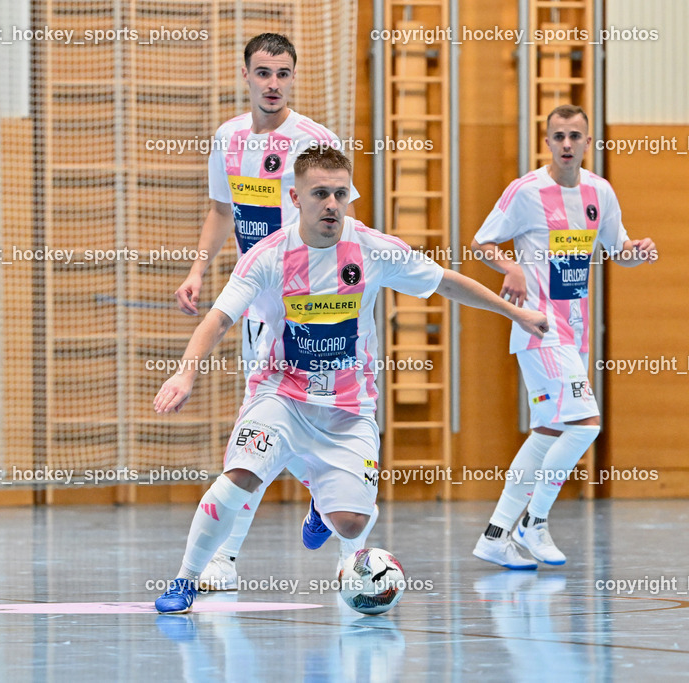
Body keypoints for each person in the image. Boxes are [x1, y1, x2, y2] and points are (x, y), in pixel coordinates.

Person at [154, 145, 548, 613]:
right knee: (241, 475)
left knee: (349, 521)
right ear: (295, 197)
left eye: (340, 193)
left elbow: (444, 280)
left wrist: (514, 312)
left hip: (349, 406)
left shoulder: (371, 248)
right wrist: (185, 372)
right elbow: (218, 319)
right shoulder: (267, 256)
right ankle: (185, 579)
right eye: (320, 193)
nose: (332, 204)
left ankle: (324, 506)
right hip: (281, 393)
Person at [173, 33, 361, 590]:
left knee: (267, 425)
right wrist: (199, 271)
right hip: (255, 302)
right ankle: (317, 502)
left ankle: (227, 558)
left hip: (307, 306)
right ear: (246, 75)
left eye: (282, 73)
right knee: (264, 425)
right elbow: (219, 209)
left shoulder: (314, 141)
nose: (272, 84)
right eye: (262, 73)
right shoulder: (228, 139)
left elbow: (343, 222)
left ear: (294, 77)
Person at [470, 104, 657, 569]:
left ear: (588, 142)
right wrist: (511, 266)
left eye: (576, 135)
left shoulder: (601, 192)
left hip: (576, 333)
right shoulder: (527, 191)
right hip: (539, 327)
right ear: (548, 142)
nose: (568, 144)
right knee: (586, 424)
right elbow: (481, 243)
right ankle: (535, 520)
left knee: (550, 429)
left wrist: (639, 251)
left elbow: (620, 251)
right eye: (559, 136)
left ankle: (496, 535)